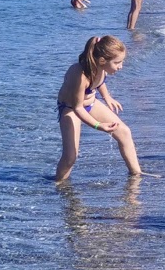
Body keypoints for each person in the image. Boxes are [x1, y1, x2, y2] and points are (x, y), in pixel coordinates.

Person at [54, 35, 142, 182]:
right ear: (102, 60)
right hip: (71, 109)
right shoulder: (81, 76)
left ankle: (137, 175)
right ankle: (59, 183)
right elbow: (78, 108)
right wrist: (98, 125)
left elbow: (100, 81)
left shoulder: (102, 67)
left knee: (124, 132)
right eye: (118, 62)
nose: (121, 66)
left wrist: (107, 97)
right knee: (70, 156)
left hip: (91, 103)